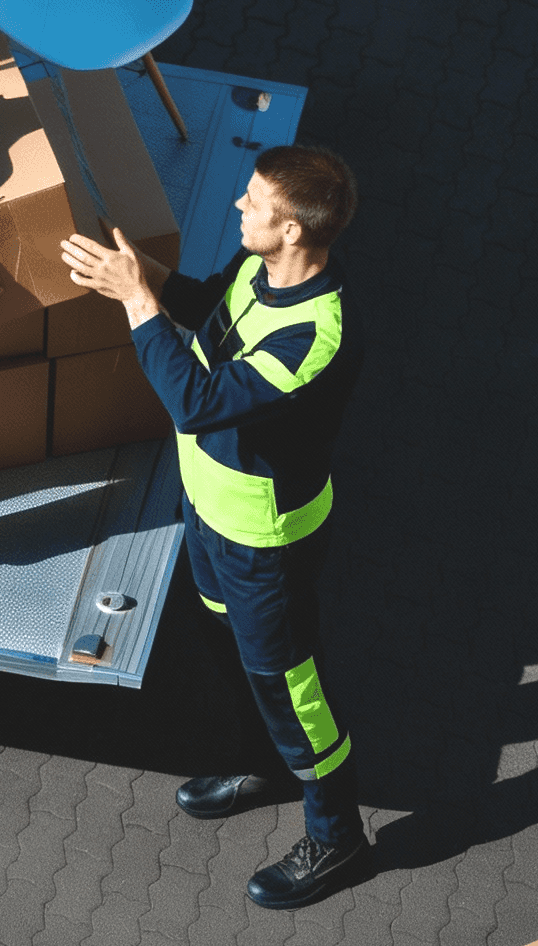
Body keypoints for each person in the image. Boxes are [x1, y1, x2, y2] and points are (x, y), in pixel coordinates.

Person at [60, 145, 367, 909]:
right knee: (228, 644)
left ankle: (338, 836)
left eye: (255, 201)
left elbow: (198, 400)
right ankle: (261, 763)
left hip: (264, 542)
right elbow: (210, 316)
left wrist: (137, 303)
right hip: (208, 514)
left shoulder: (316, 335)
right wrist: (149, 278)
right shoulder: (258, 271)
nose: (238, 206)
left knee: (293, 689)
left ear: (292, 229)